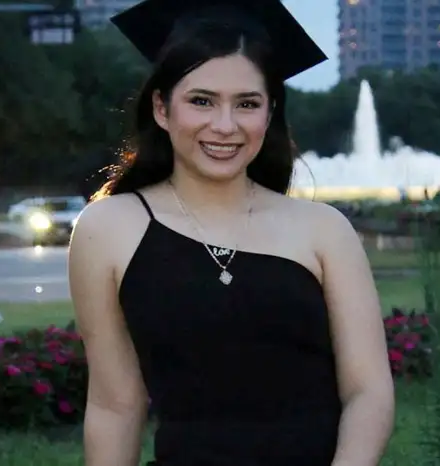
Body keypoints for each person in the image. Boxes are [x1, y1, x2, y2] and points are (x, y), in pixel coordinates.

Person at [67, 0, 395, 465]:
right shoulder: (108, 229)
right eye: (201, 101)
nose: (225, 126)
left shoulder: (324, 230)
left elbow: (369, 392)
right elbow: (114, 405)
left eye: (246, 104)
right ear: (161, 107)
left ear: (269, 111)